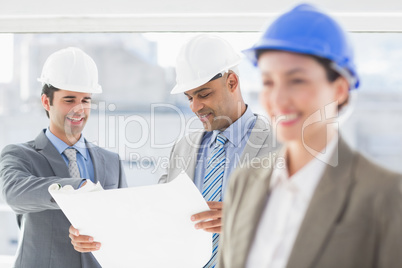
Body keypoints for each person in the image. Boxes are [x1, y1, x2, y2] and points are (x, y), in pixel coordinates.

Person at [218, 4, 402, 268]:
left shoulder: (383, 195)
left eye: (297, 81)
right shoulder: (244, 183)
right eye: (268, 82)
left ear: (339, 89)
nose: (278, 99)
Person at [69, 34, 273, 268]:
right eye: (189, 98)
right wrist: (95, 230)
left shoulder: (281, 146)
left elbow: (313, 224)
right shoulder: (183, 148)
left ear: (232, 82)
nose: (195, 107)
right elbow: (156, 217)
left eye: (204, 94)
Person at [0, 47, 127, 268]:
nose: (79, 109)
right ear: (46, 102)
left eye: (86, 100)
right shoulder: (19, 155)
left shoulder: (111, 161)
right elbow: (14, 193)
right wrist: (78, 188)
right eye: (69, 100)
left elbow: (124, 219)